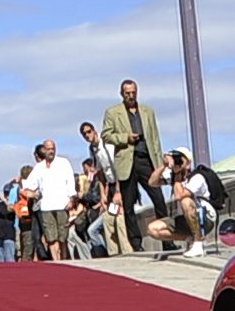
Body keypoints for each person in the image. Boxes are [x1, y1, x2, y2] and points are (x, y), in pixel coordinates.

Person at [102, 81, 166, 246]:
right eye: (127, 93)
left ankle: (167, 238)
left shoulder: (147, 111)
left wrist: (160, 166)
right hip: (127, 162)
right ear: (122, 94)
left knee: (158, 199)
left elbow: (155, 139)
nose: (131, 96)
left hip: (146, 160)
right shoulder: (113, 113)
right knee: (128, 205)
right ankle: (136, 243)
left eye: (133, 92)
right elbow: (106, 135)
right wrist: (125, 138)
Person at [143, 151, 220, 256]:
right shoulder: (174, 177)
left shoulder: (197, 177)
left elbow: (180, 195)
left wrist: (177, 176)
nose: (177, 162)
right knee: (152, 229)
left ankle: (198, 242)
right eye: (175, 158)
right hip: (185, 219)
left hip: (205, 219)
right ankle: (190, 239)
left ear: (188, 164)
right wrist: (164, 165)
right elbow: (152, 182)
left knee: (185, 201)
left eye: (180, 159)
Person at [22, 138, 77, 262]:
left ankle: (64, 260)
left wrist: (71, 199)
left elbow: (70, 182)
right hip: (46, 206)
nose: (51, 151)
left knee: (62, 237)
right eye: (48, 149)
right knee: (51, 238)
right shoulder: (39, 167)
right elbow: (27, 186)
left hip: (62, 205)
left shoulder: (63, 163)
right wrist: (30, 193)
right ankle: (56, 261)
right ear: (44, 150)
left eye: (53, 148)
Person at [79, 121, 129, 254]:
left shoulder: (106, 143)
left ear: (94, 130)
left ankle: (127, 251)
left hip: (121, 183)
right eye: (84, 134)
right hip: (111, 185)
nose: (87, 135)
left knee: (119, 217)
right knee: (109, 218)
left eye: (89, 132)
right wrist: (103, 196)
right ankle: (113, 253)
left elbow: (117, 166)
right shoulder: (92, 149)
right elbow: (100, 173)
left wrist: (118, 191)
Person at [0, 185, 19, 264]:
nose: (6, 195)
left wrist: (4, 199)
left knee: (10, 260)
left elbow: (11, 209)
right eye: (5, 193)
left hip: (9, 236)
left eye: (8, 193)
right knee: (0, 261)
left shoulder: (15, 204)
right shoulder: (0, 205)